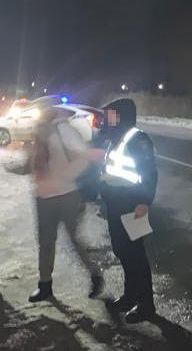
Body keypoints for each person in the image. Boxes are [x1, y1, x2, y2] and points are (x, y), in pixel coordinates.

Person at [29, 107, 103, 302]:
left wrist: (62, 178)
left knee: (75, 240)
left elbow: (84, 158)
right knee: (45, 243)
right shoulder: (40, 133)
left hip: (66, 196)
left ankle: (95, 275)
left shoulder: (63, 130)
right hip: (44, 198)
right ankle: (45, 285)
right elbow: (33, 164)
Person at [99, 98, 158, 324]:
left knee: (135, 256)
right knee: (122, 252)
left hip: (133, 206)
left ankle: (146, 305)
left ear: (122, 115)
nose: (108, 118)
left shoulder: (137, 138)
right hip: (115, 205)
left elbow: (149, 172)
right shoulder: (117, 137)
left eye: (111, 115)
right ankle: (130, 296)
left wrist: (145, 201)